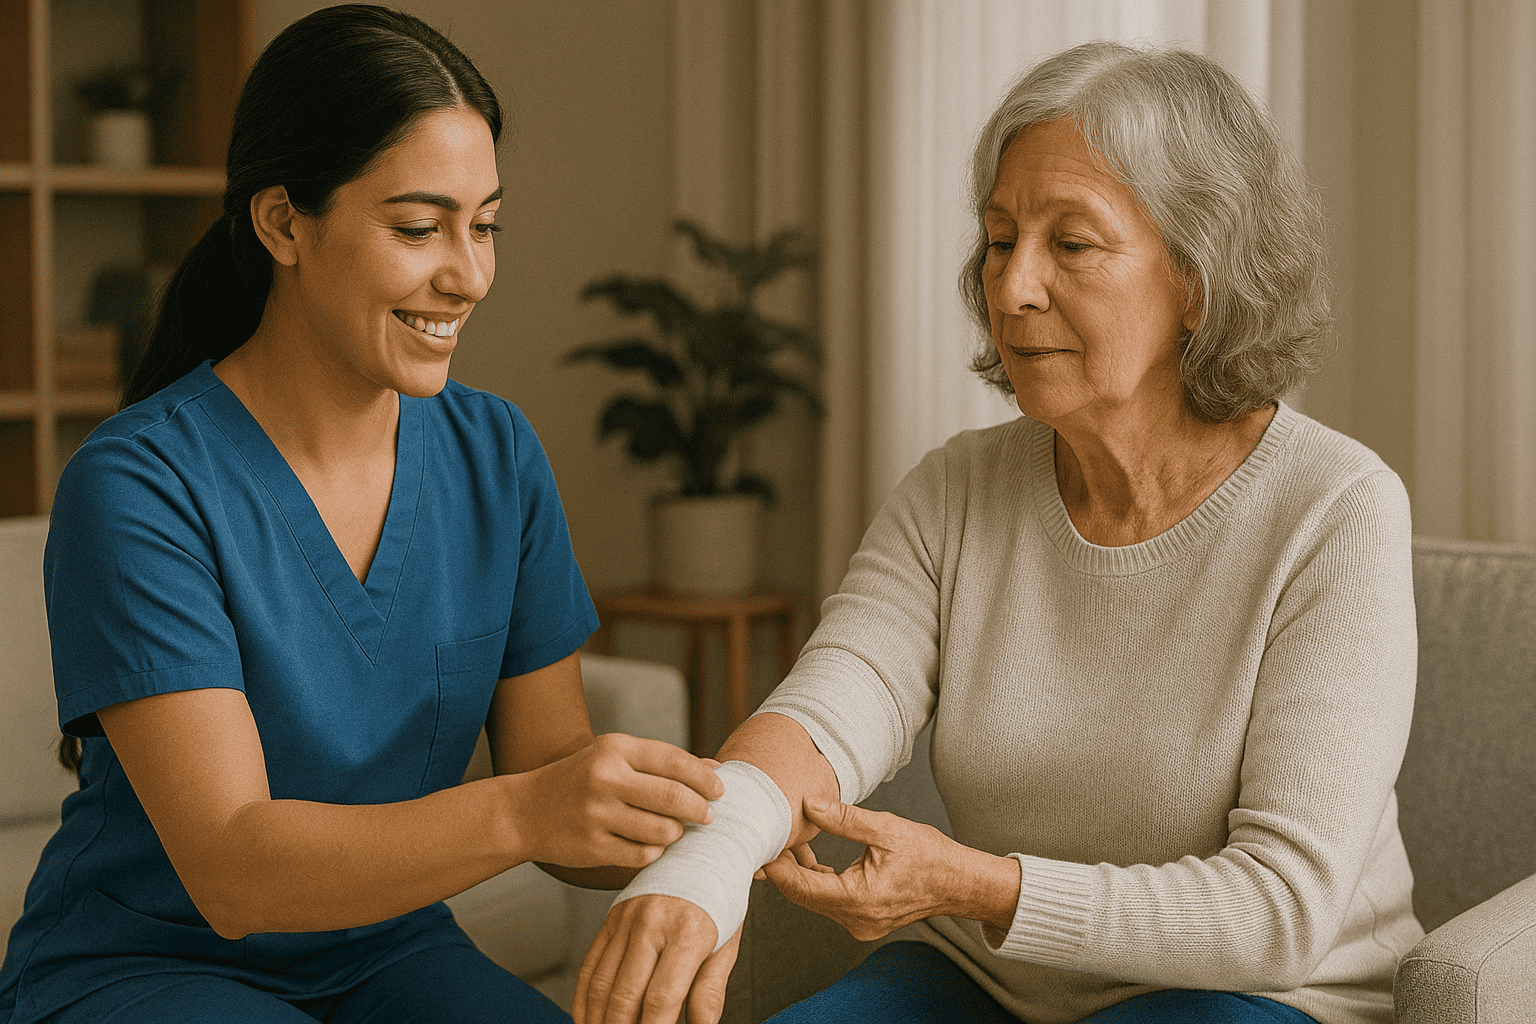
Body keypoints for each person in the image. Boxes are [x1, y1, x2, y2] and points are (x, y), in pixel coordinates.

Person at [573, 40, 1423, 1024]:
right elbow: (828, 709)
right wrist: (708, 860)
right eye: (998, 238)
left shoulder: (1336, 507)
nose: (1012, 288)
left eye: (1071, 245)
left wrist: (978, 884)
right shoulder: (958, 489)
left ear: (1198, 279)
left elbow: (1277, 913)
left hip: (1254, 993)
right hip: (992, 978)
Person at [0, 7, 725, 1024]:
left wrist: (719, 831)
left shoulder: (498, 456)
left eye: (486, 225)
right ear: (284, 222)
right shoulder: (138, 483)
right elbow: (232, 872)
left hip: (390, 951)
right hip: (147, 968)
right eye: (420, 227)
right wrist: (526, 811)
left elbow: (558, 785)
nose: (468, 275)